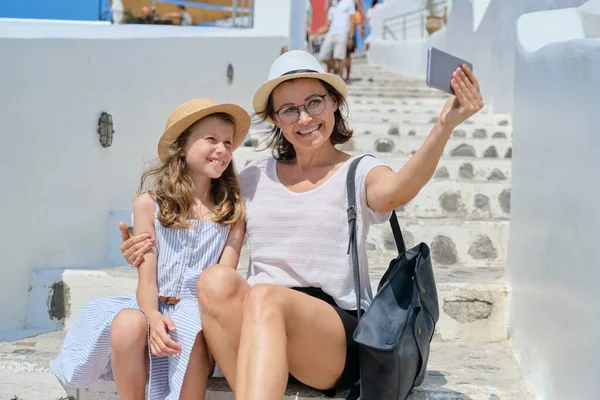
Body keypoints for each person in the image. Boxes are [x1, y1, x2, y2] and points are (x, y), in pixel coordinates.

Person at [119, 50, 484, 399]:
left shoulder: (358, 171)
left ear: (334, 102)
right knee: (216, 280)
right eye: (289, 110)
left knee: (267, 297)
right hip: (258, 328)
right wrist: (145, 247)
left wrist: (443, 125)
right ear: (276, 120)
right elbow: (195, 220)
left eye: (314, 102)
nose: (304, 119)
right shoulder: (252, 178)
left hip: (331, 336)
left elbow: (399, 190)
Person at [50, 98, 250, 400]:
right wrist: (153, 317)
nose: (222, 150)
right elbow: (147, 279)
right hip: (152, 304)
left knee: (190, 330)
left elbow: (224, 281)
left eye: (228, 142)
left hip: (199, 317)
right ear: (182, 146)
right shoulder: (149, 205)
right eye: (211, 139)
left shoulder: (232, 212)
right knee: (128, 323)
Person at [314, 0, 357, 77]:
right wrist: (317, 33)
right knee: (323, 57)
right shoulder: (333, 5)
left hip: (343, 33)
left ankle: (341, 79)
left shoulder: (349, 2)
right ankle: (335, 68)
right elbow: (328, 25)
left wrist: (351, 37)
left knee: (340, 58)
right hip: (331, 34)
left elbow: (352, 20)